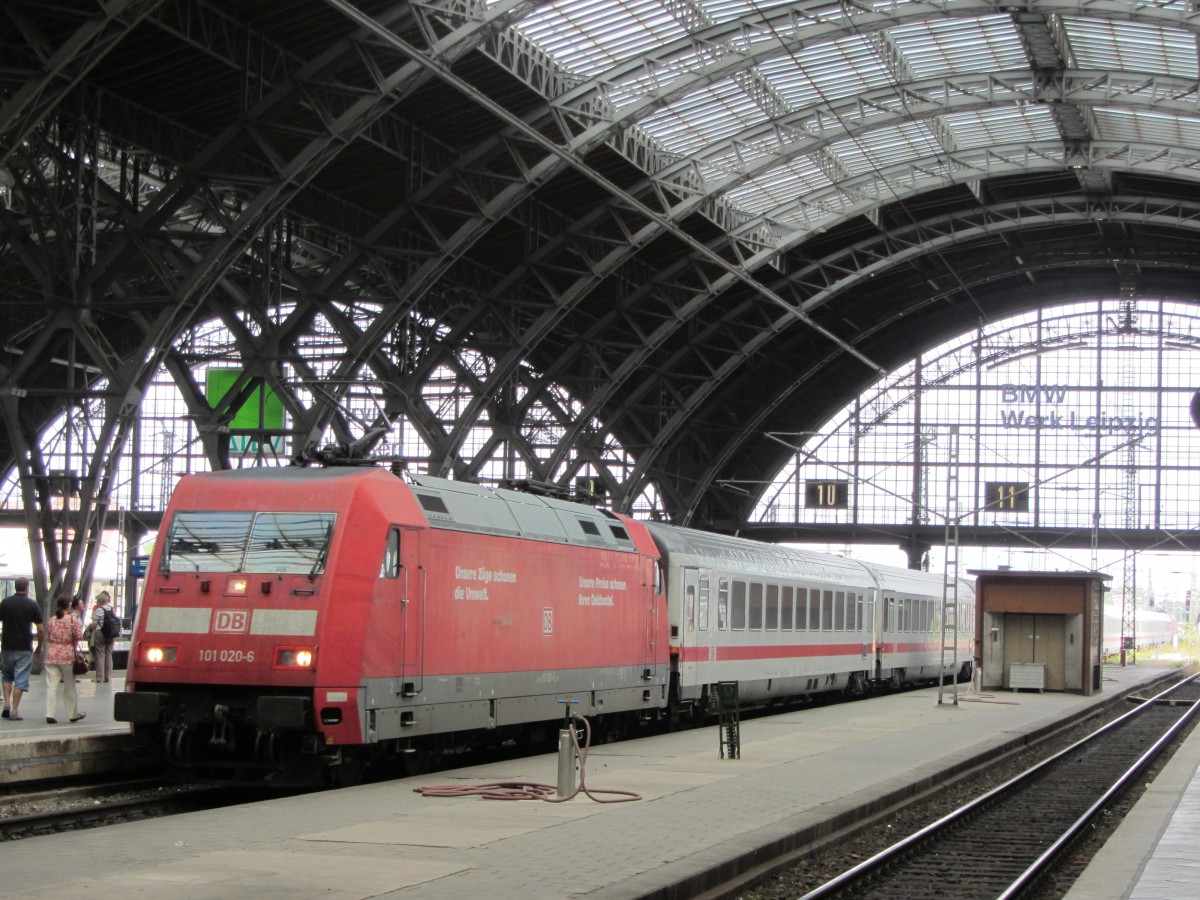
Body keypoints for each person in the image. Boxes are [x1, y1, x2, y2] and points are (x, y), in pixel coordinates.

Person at [0, 576, 45, 721]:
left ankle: (6, 703)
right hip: (24, 647)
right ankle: (14, 711)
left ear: (15, 587)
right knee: (20, 680)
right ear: (27, 588)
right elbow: (41, 629)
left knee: (7, 676)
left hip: (6, 646)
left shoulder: (5, 603)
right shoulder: (32, 605)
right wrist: (39, 645)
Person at [43, 593, 85, 724]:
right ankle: (72, 714)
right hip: (67, 656)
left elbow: (49, 637)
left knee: (52, 686)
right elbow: (78, 637)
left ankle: (50, 714)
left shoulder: (51, 620)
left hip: (51, 655)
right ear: (69, 605)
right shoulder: (73, 620)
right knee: (70, 686)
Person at [90, 590, 116, 684]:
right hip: (111, 634)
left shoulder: (98, 610)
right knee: (109, 655)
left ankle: (100, 678)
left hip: (100, 633)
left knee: (100, 655)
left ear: (99, 601)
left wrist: (90, 627)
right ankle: (108, 677)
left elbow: (93, 625)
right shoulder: (111, 610)